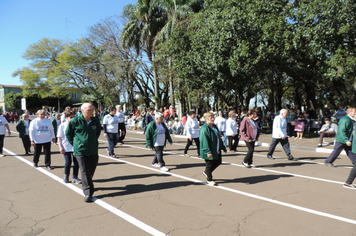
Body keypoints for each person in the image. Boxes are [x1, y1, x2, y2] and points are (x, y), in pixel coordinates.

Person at [66, 103, 101, 202]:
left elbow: (97, 132)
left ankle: (88, 184)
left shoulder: (95, 121)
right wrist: (76, 144)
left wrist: (93, 141)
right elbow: (68, 133)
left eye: (93, 109)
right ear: (82, 111)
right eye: (89, 110)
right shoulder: (75, 121)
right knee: (84, 171)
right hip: (80, 151)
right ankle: (88, 192)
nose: (92, 112)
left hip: (93, 150)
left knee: (91, 171)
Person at [200, 112, 226, 186]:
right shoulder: (204, 128)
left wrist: (223, 147)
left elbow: (218, 138)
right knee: (209, 164)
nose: (213, 119)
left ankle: (206, 172)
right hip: (209, 150)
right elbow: (204, 141)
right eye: (211, 117)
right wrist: (208, 151)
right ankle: (209, 179)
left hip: (216, 149)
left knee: (218, 161)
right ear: (206, 119)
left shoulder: (214, 126)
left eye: (213, 117)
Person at [57, 110, 81, 184]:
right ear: (66, 117)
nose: (72, 119)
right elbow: (59, 137)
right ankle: (66, 176)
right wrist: (60, 147)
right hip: (66, 146)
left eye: (74, 117)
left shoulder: (77, 125)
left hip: (75, 146)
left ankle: (75, 177)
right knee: (68, 162)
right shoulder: (62, 125)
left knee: (76, 162)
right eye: (71, 117)